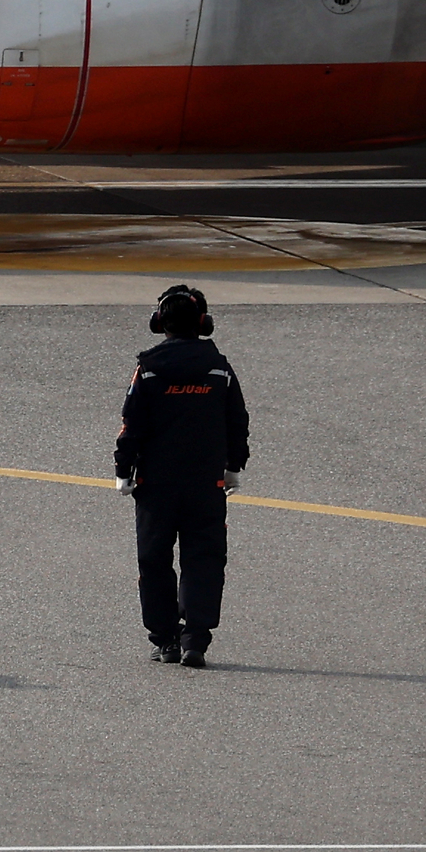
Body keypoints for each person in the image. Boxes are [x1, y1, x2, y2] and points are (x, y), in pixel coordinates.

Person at [113, 281, 250, 668]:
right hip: (206, 482)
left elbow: (131, 423)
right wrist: (234, 466)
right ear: (203, 322)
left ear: (159, 322)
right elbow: (237, 420)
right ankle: (195, 641)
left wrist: (123, 468)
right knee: (203, 558)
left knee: (154, 559)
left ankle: (166, 639)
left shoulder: (150, 369)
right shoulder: (218, 368)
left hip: (156, 483)